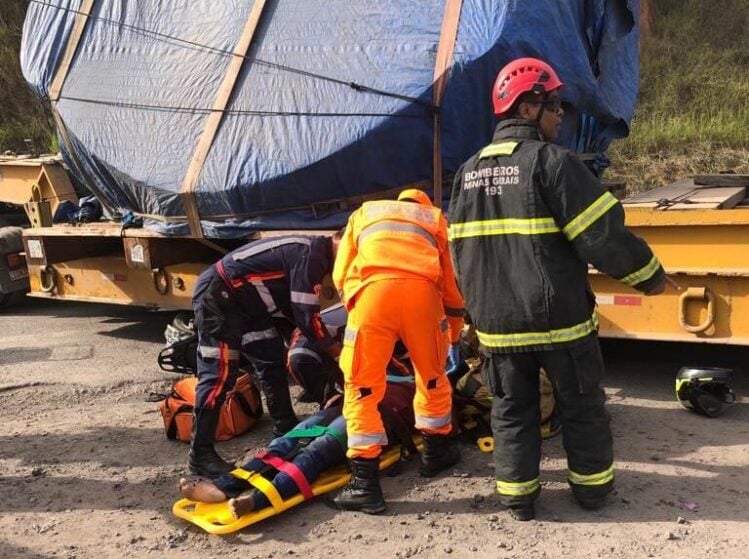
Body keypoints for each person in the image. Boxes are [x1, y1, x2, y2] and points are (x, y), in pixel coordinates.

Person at [448, 57, 666, 521]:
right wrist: (648, 276)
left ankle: (519, 499)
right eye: (554, 105)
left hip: (498, 327)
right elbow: (602, 234)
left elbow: (459, 255)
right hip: (559, 322)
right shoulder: (552, 163)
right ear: (527, 109)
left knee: (510, 411)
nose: (561, 114)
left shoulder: (465, 175)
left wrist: (477, 313)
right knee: (582, 405)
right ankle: (591, 493)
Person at [330, 188, 466, 514]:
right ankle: (435, 454)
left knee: (362, 385)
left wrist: (359, 304)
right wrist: (455, 335)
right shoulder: (435, 219)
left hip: (374, 293)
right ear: (424, 205)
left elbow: (341, 271)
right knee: (433, 377)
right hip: (423, 297)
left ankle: (365, 484)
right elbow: (451, 285)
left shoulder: (365, 211)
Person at [178, 358, 419, 519]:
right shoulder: (379, 355)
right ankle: (224, 486)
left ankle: (257, 500)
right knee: (292, 437)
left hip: (377, 417)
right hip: (349, 405)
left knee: (316, 449)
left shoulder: (420, 374)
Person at [189, 235, 342, 477]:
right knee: (219, 374)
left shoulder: (314, 256)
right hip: (219, 295)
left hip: (248, 302)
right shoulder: (310, 254)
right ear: (339, 241)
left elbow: (299, 313)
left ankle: (285, 425)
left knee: (271, 358)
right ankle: (200, 453)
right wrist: (337, 353)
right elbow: (305, 315)